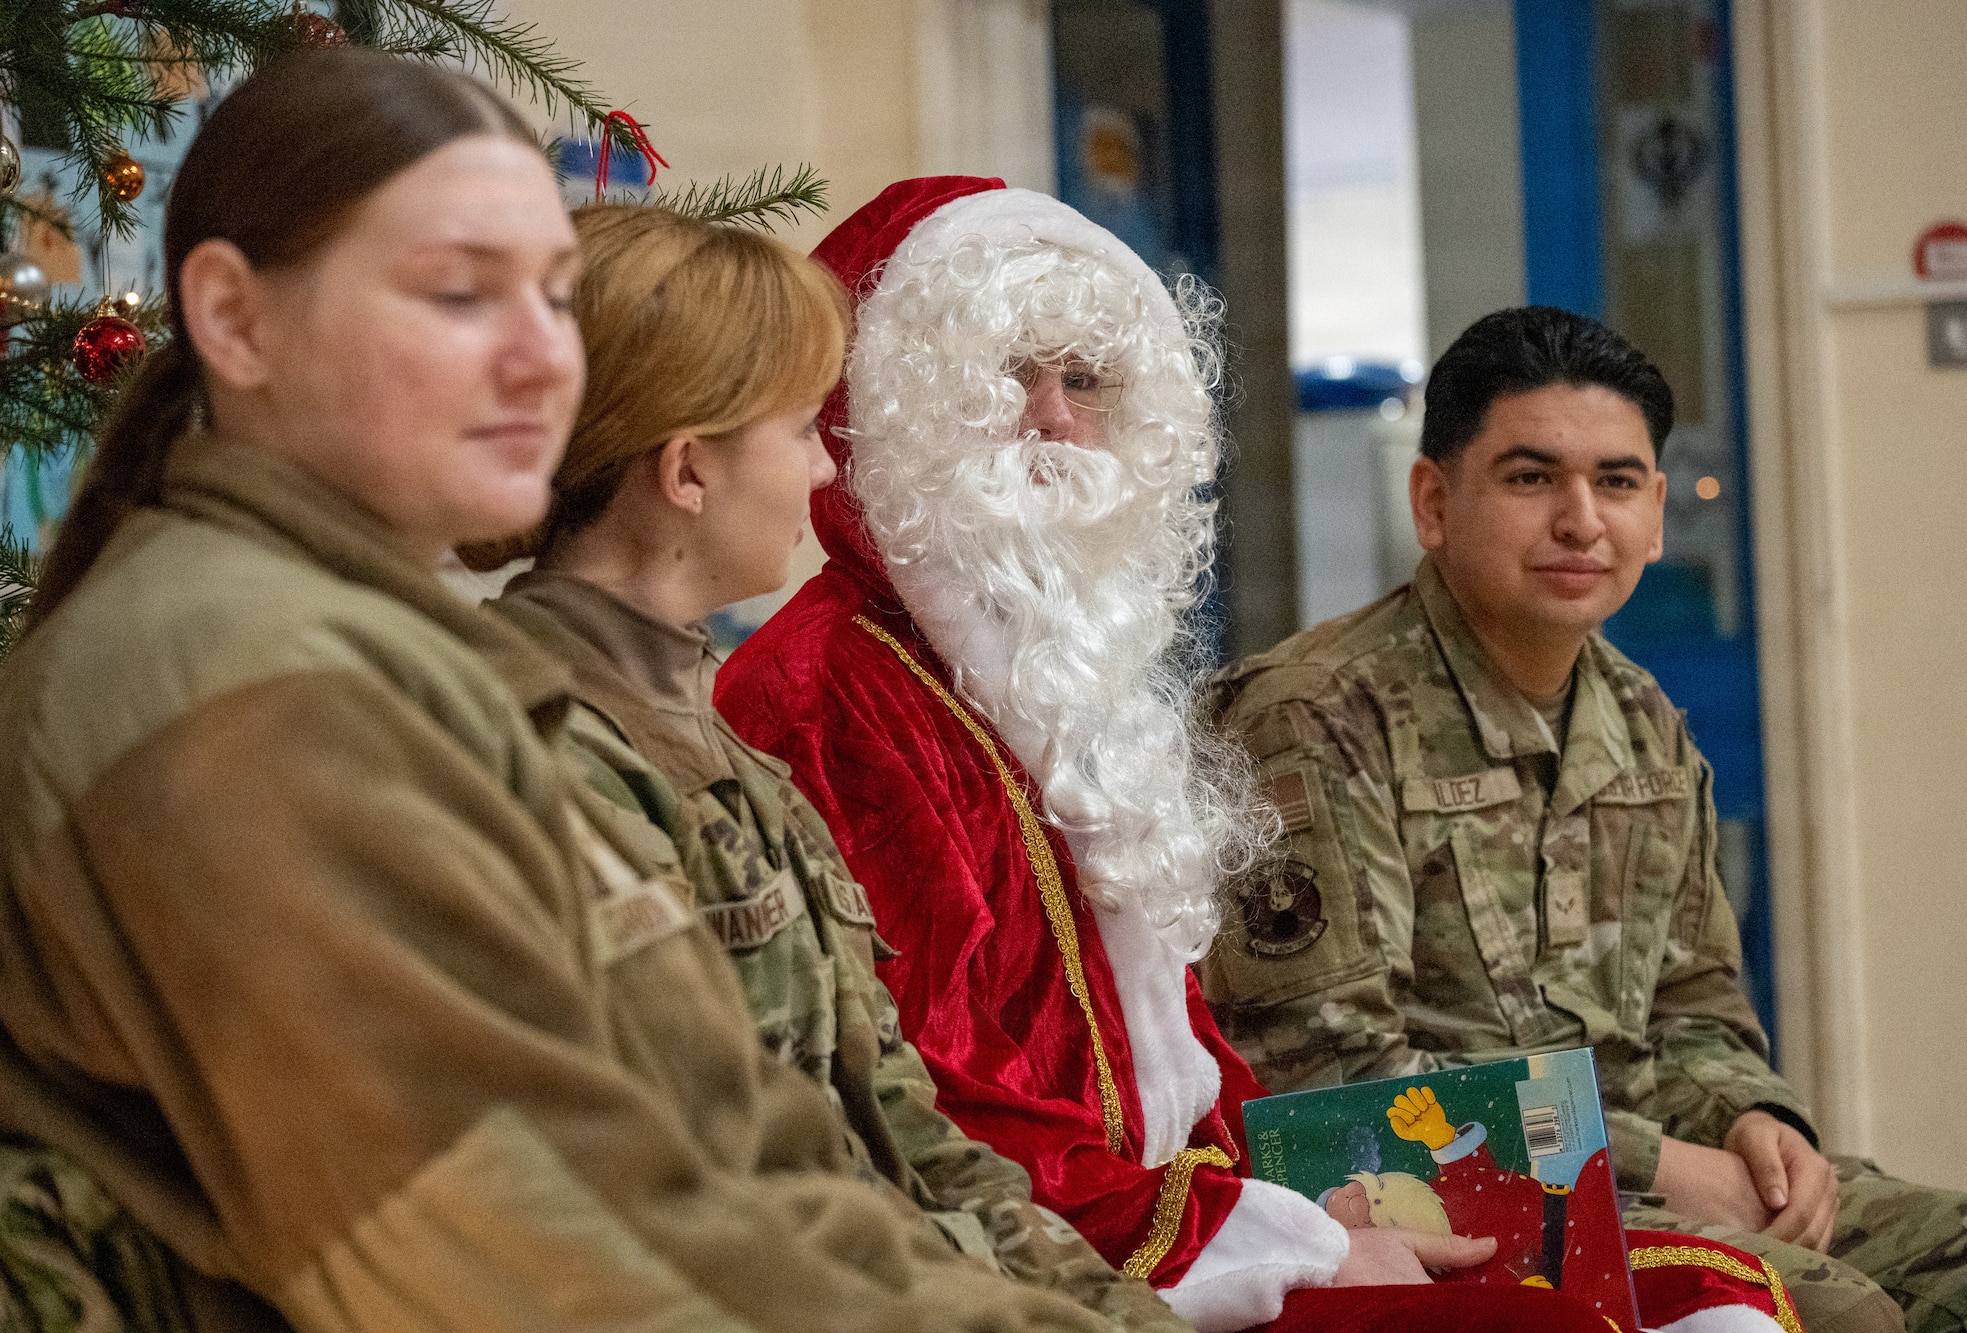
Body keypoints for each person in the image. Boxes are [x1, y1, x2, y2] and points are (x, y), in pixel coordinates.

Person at [0, 54, 1141, 1333]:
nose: (546, 360)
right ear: (235, 319)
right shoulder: (242, 683)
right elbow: (542, 1249)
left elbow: (766, 1156)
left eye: (551, 296)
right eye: (457, 294)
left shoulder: (386, 653)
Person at [714, 177, 1799, 1333]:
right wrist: (1284, 1236)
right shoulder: (828, 692)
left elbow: (1181, 1051)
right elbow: (926, 1106)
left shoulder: (1075, 675)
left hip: (1191, 1214)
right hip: (1046, 1262)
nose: (1054, 419)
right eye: (1006, 376)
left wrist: (1301, 1204)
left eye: (1083, 378)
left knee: (1719, 1295)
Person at [1201, 306, 1967, 1333]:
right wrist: (1658, 1160)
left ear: (1655, 512)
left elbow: (1696, 1014)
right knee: (1834, 1313)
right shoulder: (1309, 718)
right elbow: (1326, 1076)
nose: (1580, 519)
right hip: (1432, 1205)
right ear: (1432, 502)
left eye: (1615, 482)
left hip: (1648, 1177)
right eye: (1530, 478)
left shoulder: (1641, 726)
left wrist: (1755, 1119)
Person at [463, 201, 1188, 1332]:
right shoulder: (544, 748)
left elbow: (897, 1129)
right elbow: (701, 1192)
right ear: (688, 471)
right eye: (803, 425)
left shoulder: (703, 739)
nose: (823, 465)